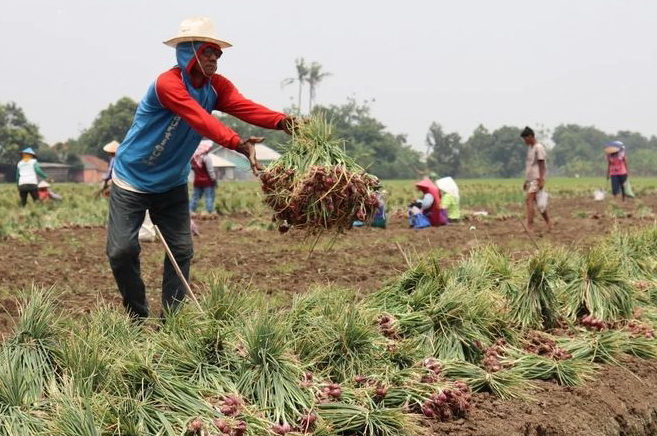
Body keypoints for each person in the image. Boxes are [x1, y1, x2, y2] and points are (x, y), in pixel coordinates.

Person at [106, 17, 296, 320]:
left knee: (181, 249)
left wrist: (283, 122)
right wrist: (238, 144)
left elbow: (245, 106)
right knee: (121, 251)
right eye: (208, 51)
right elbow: (199, 119)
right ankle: (136, 316)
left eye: (218, 54)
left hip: (171, 182)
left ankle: (173, 321)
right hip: (132, 179)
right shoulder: (167, 85)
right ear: (189, 51)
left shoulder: (216, 87)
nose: (214, 58)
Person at [520, 126, 551, 232]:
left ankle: (530, 226)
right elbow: (530, 166)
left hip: (536, 179)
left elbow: (541, 164)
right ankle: (549, 223)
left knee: (529, 200)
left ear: (530, 136)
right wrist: (526, 180)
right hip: (531, 179)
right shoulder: (531, 148)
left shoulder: (538, 148)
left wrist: (541, 179)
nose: (524, 141)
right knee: (539, 204)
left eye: (525, 139)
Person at [190, 140, 217, 214]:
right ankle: (209, 211)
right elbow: (210, 170)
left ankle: (191, 210)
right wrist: (214, 179)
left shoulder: (194, 159)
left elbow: (192, 169)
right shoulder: (207, 158)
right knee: (208, 197)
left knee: (195, 197)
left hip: (197, 181)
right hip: (207, 182)